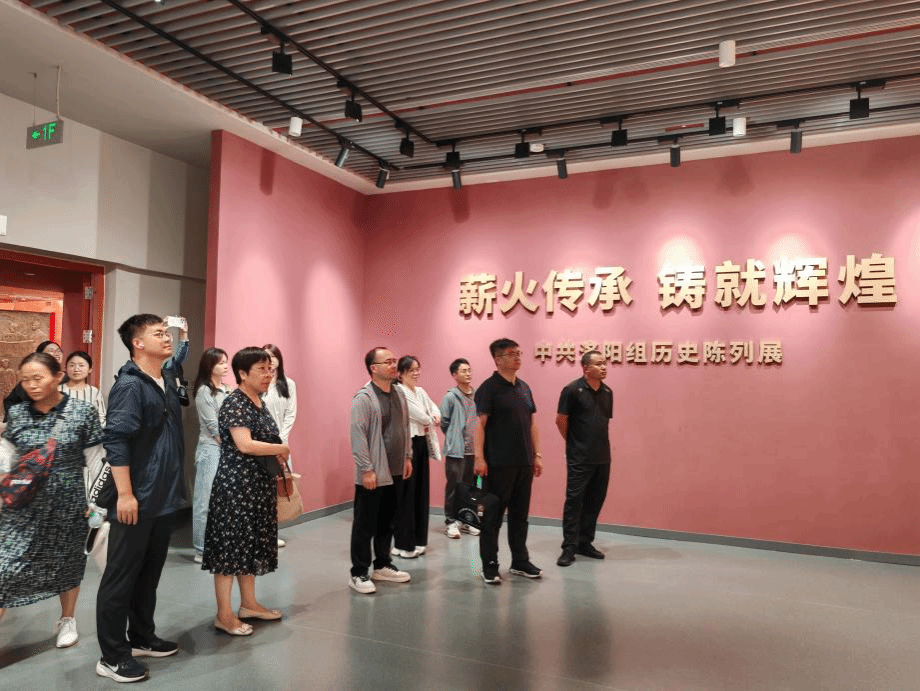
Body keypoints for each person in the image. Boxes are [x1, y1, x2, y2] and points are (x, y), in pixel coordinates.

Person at [95, 314, 189, 684]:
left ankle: (141, 637)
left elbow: (178, 360)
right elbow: (116, 440)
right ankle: (112, 657)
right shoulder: (130, 386)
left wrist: (184, 336)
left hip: (163, 498)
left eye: (167, 333)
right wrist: (125, 494)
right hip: (136, 497)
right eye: (158, 333)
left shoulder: (165, 377)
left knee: (148, 574)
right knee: (120, 578)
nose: (167, 338)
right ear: (137, 343)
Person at [0, 352, 104, 645]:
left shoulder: (83, 412)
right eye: (25, 380)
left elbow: (96, 459)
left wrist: (95, 504)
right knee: (5, 566)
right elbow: (7, 454)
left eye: (38, 378)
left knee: (67, 562)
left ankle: (68, 619)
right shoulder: (18, 413)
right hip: (22, 505)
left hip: (68, 502)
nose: (31, 385)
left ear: (58, 377)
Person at [202, 347, 289, 636]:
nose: (268, 374)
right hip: (236, 487)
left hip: (257, 485)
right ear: (242, 373)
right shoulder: (235, 402)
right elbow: (245, 444)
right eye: (261, 369)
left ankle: (249, 604)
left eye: (270, 369)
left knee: (249, 545)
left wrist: (275, 450)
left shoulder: (259, 402)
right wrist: (280, 448)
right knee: (230, 549)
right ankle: (224, 614)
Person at [474, 338, 543, 584]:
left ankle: (520, 561)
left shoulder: (524, 388)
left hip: (523, 462)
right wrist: (479, 457)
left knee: (520, 516)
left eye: (518, 353)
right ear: (498, 360)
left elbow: (532, 423)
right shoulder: (488, 388)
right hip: (497, 464)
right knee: (492, 517)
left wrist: (537, 454)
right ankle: (489, 565)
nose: (517, 357)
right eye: (511, 354)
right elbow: (480, 425)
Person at [348, 347, 413, 594]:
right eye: (388, 362)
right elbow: (358, 436)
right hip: (373, 472)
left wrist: (407, 456)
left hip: (396, 470)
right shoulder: (364, 398)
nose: (394, 365)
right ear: (373, 368)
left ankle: (382, 564)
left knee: (388, 522)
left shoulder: (399, 393)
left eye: (394, 360)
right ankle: (358, 572)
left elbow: (405, 427)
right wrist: (366, 469)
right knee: (365, 524)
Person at [555, 350, 613, 567]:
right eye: (598, 364)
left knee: (594, 501)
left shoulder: (607, 392)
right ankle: (569, 547)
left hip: (602, 457)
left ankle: (584, 542)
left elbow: (602, 423)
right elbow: (561, 420)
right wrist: (573, 444)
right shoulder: (572, 390)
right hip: (579, 457)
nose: (604, 367)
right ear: (586, 368)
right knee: (574, 502)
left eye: (604, 363)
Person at [391, 356, 441, 558]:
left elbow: (433, 408)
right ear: (400, 374)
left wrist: (434, 416)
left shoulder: (420, 391)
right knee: (406, 495)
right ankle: (403, 544)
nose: (416, 373)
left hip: (421, 444)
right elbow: (418, 414)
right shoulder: (398, 391)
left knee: (421, 492)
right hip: (406, 445)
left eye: (417, 369)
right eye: (411, 370)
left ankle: (419, 540)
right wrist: (430, 418)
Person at [191, 347, 230, 563]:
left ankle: (217, 544)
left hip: (226, 449)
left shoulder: (226, 389)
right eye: (220, 362)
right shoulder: (204, 391)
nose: (225, 366)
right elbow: (214, 427)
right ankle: (201, 549)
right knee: (204, 501)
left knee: (221, 501)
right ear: (210, 366)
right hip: (210, 449)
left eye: (226, 362)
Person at [439, 358, 480, 540]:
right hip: (456, 451)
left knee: (471, 488)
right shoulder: (450, 397)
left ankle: (467, 519)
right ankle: (451, 522)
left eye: (469, 370)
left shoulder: (478, 395)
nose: (468, 373)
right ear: (455, 375)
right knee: (454, 487)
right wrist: (454, 438)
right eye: (464, 371)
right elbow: (444, 422)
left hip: (474, 451)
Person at [262, 343, 297, 549]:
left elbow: (291, 413)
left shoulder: (288, 384)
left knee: (277, 491)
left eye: (273, 357)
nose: (270, 361)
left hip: (280, 444)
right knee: (261, 490)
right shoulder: (259, 382)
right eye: (266, 357)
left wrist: (281, 439)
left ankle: (271, 533)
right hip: (260, 444)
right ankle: (259, 533)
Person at [3, 340, 65, 422]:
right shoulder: (29, 380)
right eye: (51, 351)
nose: (57, 354)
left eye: (58, 351)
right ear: (41, 356)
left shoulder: (68, 378)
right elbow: (11, 402)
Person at [60, 350, 107, 426]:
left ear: (90, 369)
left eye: (81, 365)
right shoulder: (57, 390)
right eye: (72, 365)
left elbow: (101, 420)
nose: (76, 369)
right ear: (65, 368)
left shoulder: (94, 392)